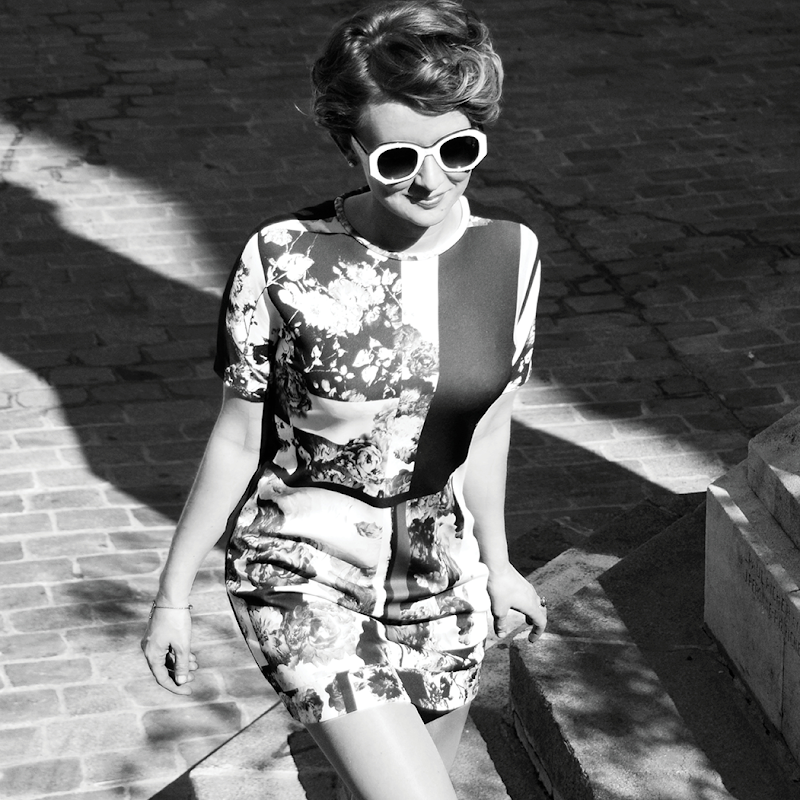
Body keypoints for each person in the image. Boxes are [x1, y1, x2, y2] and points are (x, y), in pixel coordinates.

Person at [141, 2, 546, 798]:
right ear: (351, 147)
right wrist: (172, 596)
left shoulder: (513, 255)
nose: (430, 180)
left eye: (457, 150)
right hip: (300, 567)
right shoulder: (282, 257)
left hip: (443, 583)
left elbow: (489, 431)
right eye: (397, 159)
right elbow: (235, 439)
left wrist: (499, 568)